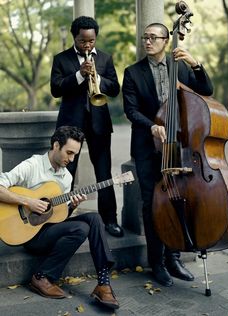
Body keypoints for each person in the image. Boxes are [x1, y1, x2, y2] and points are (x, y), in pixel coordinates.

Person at [122, 23, 213, 287]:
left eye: (153, 37)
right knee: (152, 204)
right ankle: (157, 263)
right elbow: (131, 109)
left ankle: (174, 258)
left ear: (166, 40)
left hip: (181, 146)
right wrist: (151, 125)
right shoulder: (132, 72)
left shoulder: (181, 67)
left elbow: (206, 90)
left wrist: (195, 64)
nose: (147, 41)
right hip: (148, 147)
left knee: (178, 200)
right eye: (145, 37)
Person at [0, 126, 119, 310]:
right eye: (69, 153)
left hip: (47, 229)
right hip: (28, 233)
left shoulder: (66, 177)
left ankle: (103, 284)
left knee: (94, 219)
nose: (71, 159)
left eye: (75, 155)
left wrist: (72, 205)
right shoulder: (33, 165)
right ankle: (41, 277)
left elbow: (58, 217)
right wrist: (28, 202)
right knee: (81, 229)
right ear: (56, 145)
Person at [50, 16, 123, 238]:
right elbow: (56, 89)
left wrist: (97, 77)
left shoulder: (105, 58)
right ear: (75, 37)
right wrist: (80, 74)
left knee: (103, 173)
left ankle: (110, 220)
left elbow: (114, 89)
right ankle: (60, 219)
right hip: (70, 126)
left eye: (91, 41)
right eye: (83, 41)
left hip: (99, 124)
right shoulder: (61, 59)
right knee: (65, 173)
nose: (88, 45)